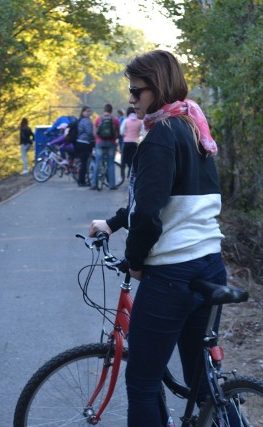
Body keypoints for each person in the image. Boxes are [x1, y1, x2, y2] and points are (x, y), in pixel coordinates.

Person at [88, 50, 224, 425]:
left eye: (136, 91)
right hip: (210, 265)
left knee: (143, 382)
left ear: (158, 87)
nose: (131, 100)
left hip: (173, 275)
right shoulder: (194, 127)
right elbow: (168, 201)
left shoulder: (161, 137)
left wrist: (134, 262)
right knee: (201, 381)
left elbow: (149, 214)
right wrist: (114, 222)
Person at [91, 103, 120, 190]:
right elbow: (117, 134)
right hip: (111, 143)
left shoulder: (98, 119)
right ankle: (112, 185)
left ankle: (94, 184)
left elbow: (94, 133)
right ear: (111, 110)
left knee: (97, 162)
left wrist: (98, 139)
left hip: (100, 143)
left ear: (104, 110)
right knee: (111, 163)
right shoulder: (114, 120)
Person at [120, 106, 142, 180]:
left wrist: (126, 135)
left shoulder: (126, 120)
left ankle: (122, 175)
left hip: (127, 142)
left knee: (124, 159)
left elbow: (121, 132)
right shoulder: (140, 121)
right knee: (134, 159)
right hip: (136, 142)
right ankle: (132, 174)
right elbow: (142, 131)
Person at [74, 106, 94, 187]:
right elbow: (89, 132)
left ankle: (81, 180)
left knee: (83, 162)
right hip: (85, 143)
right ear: (83, 112)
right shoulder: (86, 121)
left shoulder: (80, 120)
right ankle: (81, 181)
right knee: (84, 164)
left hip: (79, 142)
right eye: (87, 111)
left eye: (90, 111)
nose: (89, 113)